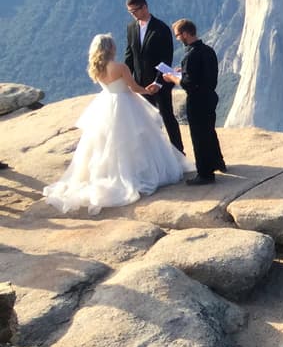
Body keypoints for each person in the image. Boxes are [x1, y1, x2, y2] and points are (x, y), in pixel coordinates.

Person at [43, 34, 189, 215]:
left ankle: (105, 174)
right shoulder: (120, 67)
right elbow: (134, 88)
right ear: (110, 48)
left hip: (106, 104)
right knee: (134, 138)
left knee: (105, 143)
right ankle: (138, 173)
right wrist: (149, 89)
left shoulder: (96, 68)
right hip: (124, 104)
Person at [163, 19, 225, 186]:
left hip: (197, 101)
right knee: (210, 131)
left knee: (199, 136)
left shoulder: (191, 55)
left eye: (178, 35)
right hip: (210, 97)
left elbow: (188, 83)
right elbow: (204, 75)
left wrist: (172, 77)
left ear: (185, 34)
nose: (177, 39)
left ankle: (205, 173)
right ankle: (218, 162)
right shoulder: (208, 50)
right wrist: (182, 71)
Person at [123, 0, 184, 152]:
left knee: (167, 117)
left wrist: (158, 82)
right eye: (130, 12)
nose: (133, 15)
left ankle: (178, 152)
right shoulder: (131, 28)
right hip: (139, 84)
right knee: (145, 121)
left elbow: (166, 59)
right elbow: (130, 55)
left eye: (135, 10)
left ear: (144, 7)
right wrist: (127, 78)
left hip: (159, 84)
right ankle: (153, 154)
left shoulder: (161, 28)